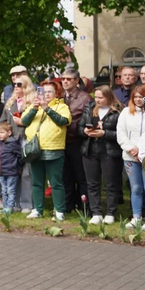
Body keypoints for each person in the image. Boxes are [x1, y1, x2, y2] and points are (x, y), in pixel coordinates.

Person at [21, 81, 71, 220]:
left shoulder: (62, 106)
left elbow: (63, 121)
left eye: (50, 91)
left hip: (53, 149)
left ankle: (59, 211)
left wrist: (47, 108)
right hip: (35, 149)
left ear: (56, 93)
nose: (46, 94)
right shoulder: (33, 106)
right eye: (44, 91)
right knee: (37, 182)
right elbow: (24, 121)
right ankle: (37, 209)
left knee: (56, 182)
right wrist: (34, 109)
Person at [80, 86, 122, 225]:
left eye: (101, 97)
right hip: (90, 149)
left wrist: (105, 133)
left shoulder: (118, 111)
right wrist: (85, 131)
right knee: (92, 183)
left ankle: (110, 213)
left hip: (109, 151)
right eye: (96, 97)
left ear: (109, 97)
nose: (97, 100)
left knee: (111, 184)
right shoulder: (89, 108)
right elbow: (79, 127)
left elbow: (122, 134)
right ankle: (96, 213)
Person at [0, 76, 35, 212]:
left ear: (26, 86)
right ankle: (14, 204)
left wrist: (23, 122)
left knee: (26, 172)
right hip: (11, 140)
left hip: (26, 138)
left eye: (19, 84)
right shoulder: (10, 102)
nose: (15, 86)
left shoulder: (33, 102)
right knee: (13, 171)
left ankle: (27, 204)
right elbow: (2, 121)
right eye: (14, 84)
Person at [117, 85, 145, 228]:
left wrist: (141, 152)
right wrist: (131, 149)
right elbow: (121, 133)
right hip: (130, 156)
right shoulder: (125, 112)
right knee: (136, 188)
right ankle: (136, 217)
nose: (138, 99)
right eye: (135, 97)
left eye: (141, 97)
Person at [60, 68, 91, 207]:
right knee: (66, 176)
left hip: (78, 141)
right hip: (62, 141)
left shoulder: (85, 98)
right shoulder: (60, 97)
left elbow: (89, 120)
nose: (65, 81)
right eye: (63, 79)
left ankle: (85, 206)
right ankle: (68, 205)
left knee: (81, 176)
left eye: (69, 79)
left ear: (77, 80)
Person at [0, 123, 23, 215]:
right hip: (1, 172)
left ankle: (10, 207)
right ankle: (5, 207)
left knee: (10, 190)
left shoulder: (13, 144)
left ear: (9, 133)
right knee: (4, 190)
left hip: (12, 172)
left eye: (2, 132)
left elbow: (20, 156)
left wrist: (17, 167)